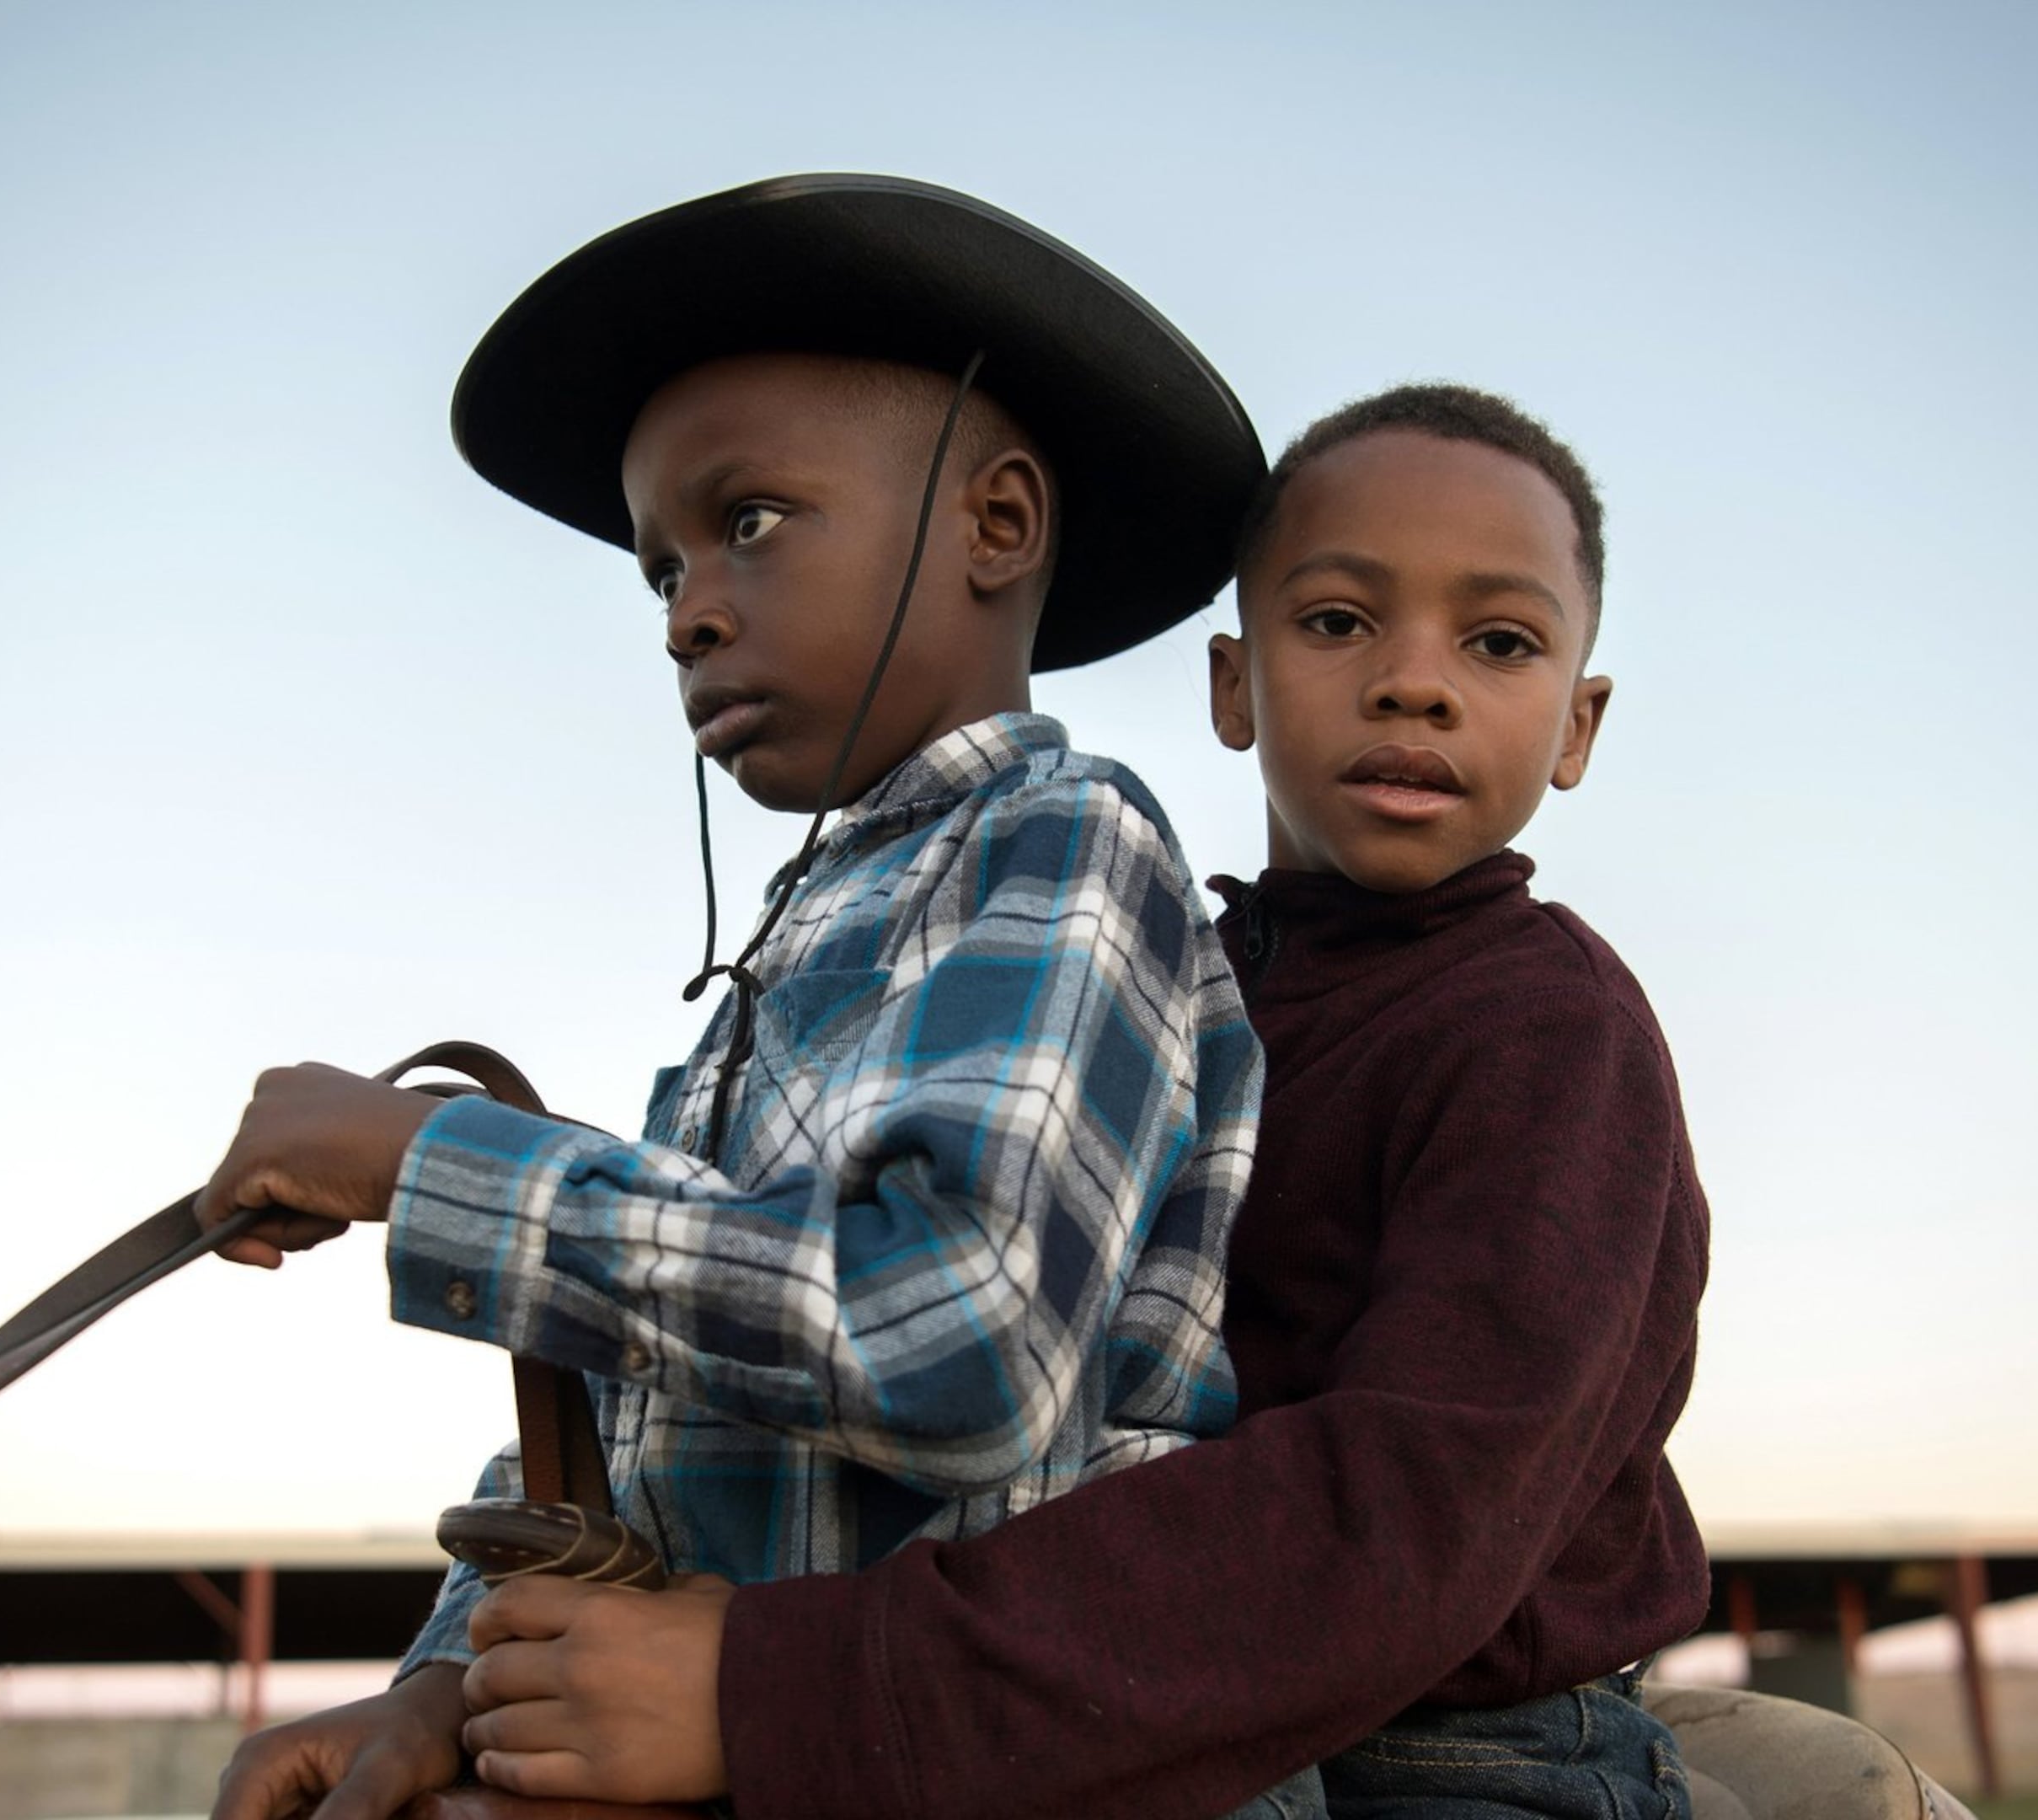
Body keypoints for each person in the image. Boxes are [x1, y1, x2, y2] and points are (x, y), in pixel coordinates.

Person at [454, 384, 1712, 1820]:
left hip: (1458, 1748)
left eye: (1498, 643)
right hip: (1125, 1697)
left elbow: (1413, 1514)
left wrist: (783, 1690)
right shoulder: (1149, 976)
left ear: (1577, 723)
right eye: (1338, 621)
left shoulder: (1550, 1037)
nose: (1413, 683)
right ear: (1233, 687)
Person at [189, 174, 1277, 1812]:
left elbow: (958, 1335)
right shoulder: (786, 958)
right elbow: (645, 1432)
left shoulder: (1064, 849)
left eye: (751, 521)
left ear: (997, 526)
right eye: (662, 571)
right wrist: (446, 1689)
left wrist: (433, 1166)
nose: (691, 608)